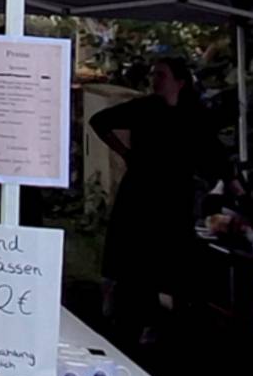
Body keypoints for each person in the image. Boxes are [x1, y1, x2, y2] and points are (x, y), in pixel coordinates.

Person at [92, 52, 223, 342]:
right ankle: (129, 317)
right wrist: (125, 152)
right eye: (153, 75)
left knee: (172, 254)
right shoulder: (144, 108)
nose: (155, 80)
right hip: (141, 189)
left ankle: (172, 321)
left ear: (179, 81)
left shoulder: (193, 114)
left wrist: (226, 180)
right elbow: (99, 121)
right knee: (135, 255)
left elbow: (211, 150)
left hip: (175, 193)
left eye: (161, 75)